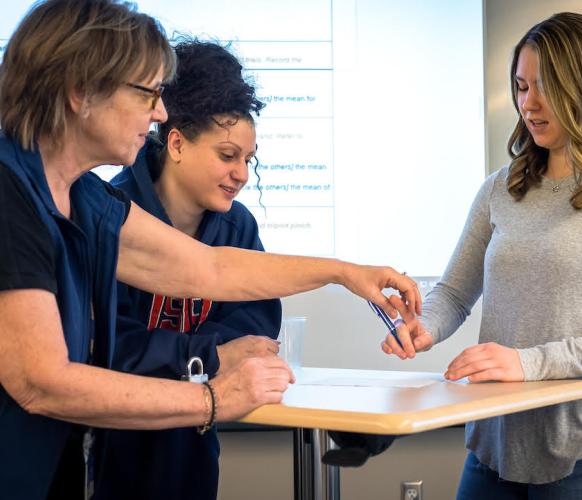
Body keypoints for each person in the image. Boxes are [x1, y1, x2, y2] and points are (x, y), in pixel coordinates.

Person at [0, 2, 420, 499]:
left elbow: (207, 267)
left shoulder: (82, 196)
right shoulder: (10, 190)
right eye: (148, 93)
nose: (159, 111)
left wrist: (345, 272)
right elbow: (41, 381)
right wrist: (213, 399)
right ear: (81, 91)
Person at [382, 12, 582, 500]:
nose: (529, 104)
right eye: (521, 87)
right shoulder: (500, 188)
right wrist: (426, 326)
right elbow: (456, 291)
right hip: (495, 445)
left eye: (546, 87)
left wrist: (530, 362)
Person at [92, 40, 281, 500]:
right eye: (227, 155)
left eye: (247, 161)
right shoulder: (110, 212)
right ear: (175, 142)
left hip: (196, 440)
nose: (241, 174)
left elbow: (255, 323)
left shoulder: (238, 224)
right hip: (109, 443)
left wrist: (191, 354)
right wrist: (209, 354)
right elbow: (110, 346)